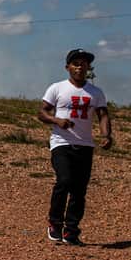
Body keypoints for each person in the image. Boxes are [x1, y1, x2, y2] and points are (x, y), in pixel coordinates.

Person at [38, 48, 113, 246]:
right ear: (68, 67)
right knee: (64, 181)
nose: (80, 67)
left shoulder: (96, 92)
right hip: (61, 142)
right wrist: (57, 120)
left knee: (79, 190)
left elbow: (103, 115)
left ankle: (71, 231)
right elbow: (42, 113)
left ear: (89, 68)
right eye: (76, 63)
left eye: (84, 64)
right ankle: (55, 223)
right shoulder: (57, 88)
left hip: (85, 144)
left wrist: (106, 135)